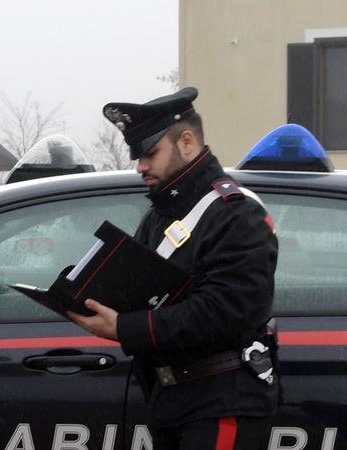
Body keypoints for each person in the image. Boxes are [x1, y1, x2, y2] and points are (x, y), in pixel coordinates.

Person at [69, 87, 279, 450]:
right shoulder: (160, 215)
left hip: (223, 401)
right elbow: (145, 290)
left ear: (186, 142)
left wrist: (124, 327)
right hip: (173, 402)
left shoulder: (235, 213)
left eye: (150, 154)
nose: (140, 167)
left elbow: (225, 311)